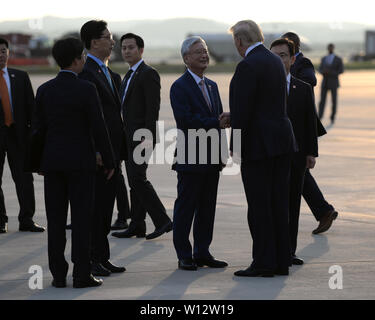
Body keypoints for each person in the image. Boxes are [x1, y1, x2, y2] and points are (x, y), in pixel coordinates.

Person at [30, 38, 115, 288]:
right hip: (81, 165)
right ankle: (81, 274)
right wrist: (109, 160)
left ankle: (58, 275)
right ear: (77, 59)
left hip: (53, 165)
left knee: (55, 222)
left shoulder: (45, 90)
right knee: (81, 221)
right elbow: (99, 128)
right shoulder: (87, 89)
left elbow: (37, 131)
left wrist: (38, 163)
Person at [229, 21, 297, 277]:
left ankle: (263, 262)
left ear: (239, 41)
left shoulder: (247, 65)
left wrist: (235, 148)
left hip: (259, 146)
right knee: (279, 204)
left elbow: (244, 112)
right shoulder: (274, 61)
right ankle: (281, 260)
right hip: (281, 142)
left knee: (259, 207)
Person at [170, 36, 229, 271]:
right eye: (198, 52)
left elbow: (220, 121)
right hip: (190, 158)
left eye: (205, 51)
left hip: (212, 159)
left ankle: (202, 252)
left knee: (207, 208)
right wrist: (216, 123)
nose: (204, 55)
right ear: (186, 59)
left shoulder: (212, 86)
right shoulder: (179, 87)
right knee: (186, 209)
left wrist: (222, 153)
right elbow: (186, 121)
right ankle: (184, 254)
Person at [112, 33, 172, 240]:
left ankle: (162, 220)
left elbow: (152, 109)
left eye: (131, 47)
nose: (127, 51)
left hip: (141, 137)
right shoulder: (128, 75)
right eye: (124, 48)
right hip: (128, 136)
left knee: (138, 179)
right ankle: (137, 224)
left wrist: (148, 135)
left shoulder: (148, 73)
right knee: (134, 180)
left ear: (141, 50)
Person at [79, 20, 128, 277]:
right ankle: (91, 258)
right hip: (97, 156)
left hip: (112, 153)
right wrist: (97, 152)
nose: (112, 41)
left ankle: (102, 256)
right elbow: (87, 120)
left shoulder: (111, 74)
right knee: (94, 209)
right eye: (108, 37)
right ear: (94, 42)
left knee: (106, 208)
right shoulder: (86, 73)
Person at [282, 32, 338, 235]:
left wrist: (289, 80)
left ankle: (324, 210)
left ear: (294, 48)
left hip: (300, 128)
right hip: (291, 128)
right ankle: (324, 210)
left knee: (300, 174)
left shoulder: (303, 63)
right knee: (301, 176)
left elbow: (310, 79)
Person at [270, 38, 318, 266]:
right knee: (272, 205)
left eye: (282, 55)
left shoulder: (303, 88)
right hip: (271, 156)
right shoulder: (264, 88)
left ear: (292, 59)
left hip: (297, 157)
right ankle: (272, 250)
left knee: (293, 204)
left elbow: (310, 123)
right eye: (274, 56)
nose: (278, 60)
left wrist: (311, 153)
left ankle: (289, 251)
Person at [0, 37, 44, 234]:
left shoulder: (21, 76)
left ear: (8, 53)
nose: (0, 55)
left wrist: (33, 135)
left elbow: (33, 109)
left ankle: (27, 219)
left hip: (19, 136)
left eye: (3, 51)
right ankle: (1, 220)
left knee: (24, 179)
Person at [318, 43, 344, 124]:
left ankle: (332, 117)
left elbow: (341, 70)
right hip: (325, 82)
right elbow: (320, 69)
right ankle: (320, 116)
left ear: (333, 48)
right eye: (329, 48)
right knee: (322, 101)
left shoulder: (338, 59)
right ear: (327, 48)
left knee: (334, 101)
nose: (330, 49)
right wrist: (323, 72)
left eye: (331, 48)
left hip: (333, 82)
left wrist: (331, 72)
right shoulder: (324, 58)